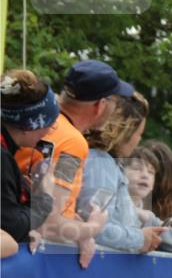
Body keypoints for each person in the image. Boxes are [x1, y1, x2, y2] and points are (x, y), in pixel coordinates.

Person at [17, 61, 127, 264]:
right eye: (115, 102)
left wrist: (76, 225)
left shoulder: (33, 120)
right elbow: (49, 224)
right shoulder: (72, 143)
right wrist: (91, 229)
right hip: (29, 258)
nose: (115, 110)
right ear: (100, 105)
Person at [77, 92, 172, 254]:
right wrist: (140, 238)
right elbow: (95, 229)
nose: (139, 141)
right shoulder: (100, 164)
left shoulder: (108, 163)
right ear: (125, 132)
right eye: (139, 134)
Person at [1, 69, 59, 242]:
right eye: (49, 124)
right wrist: (45, 197)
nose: (49, 131)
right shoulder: (2, 159)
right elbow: (11, 228)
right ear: (28, 126)